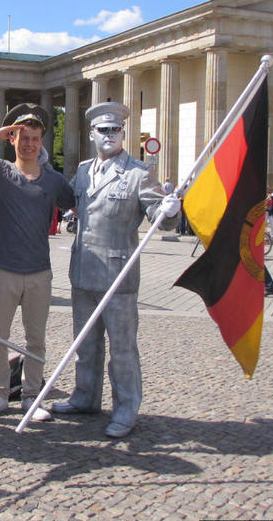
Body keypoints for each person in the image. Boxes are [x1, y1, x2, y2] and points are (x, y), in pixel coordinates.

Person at [50, 103, 180, 438]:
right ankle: (85, 396)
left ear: (123, 133)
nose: (109, 136)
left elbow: (159, 219)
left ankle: (126, 407)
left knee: (122, 348)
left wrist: (170, 210)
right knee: (86, 344)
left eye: (115, 130)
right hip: (83, 271)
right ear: (91, 134)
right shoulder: (81, 170)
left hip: (118, 275)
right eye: (102, 131)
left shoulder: (139, 173)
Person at [0, 103, 75, 422]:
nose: (29, 143)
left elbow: (80, 205)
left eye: (35, 138)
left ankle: (30, 396)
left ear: (42, 141)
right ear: (13, 139)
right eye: (22, 137)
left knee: (35, 340)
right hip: (3, 270)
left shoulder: (53, 180)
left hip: (40, 272)